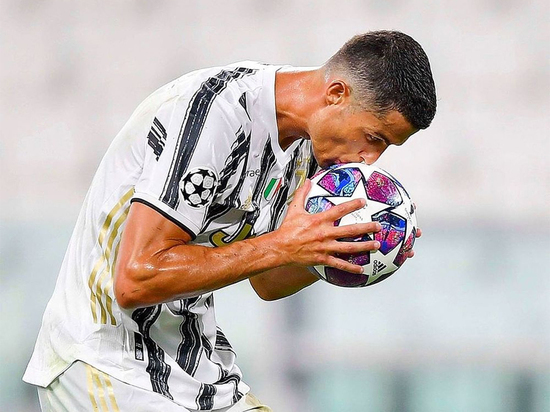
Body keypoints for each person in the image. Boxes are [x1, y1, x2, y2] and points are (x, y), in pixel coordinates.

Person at [23, 30, 436, 411]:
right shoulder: (213, 114)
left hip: (195, 368)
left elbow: (267, 281)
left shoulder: (314, 148)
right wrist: (283, 245)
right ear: (336, 94)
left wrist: (337, 247)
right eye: (374, 137)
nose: (370, 158)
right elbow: (136, 278)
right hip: (104, 362)